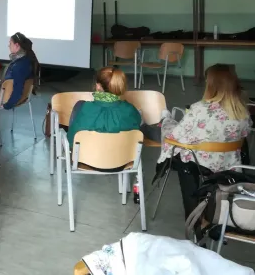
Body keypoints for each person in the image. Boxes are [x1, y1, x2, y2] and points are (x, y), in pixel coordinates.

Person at [156, 64, 252, 219]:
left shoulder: (199, 109)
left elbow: (173, 136)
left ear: (211, 84)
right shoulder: (242, 110)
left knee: (173, 137)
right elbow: (245, 134)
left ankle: (194, 218)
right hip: (230, 164)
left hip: (199, 164)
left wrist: (167, 122)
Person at [67, 67, 141, 147]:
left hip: (88, 155)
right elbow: (136, 135)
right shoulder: (129, 110)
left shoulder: (84, 108)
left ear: (98, 86)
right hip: (123, 154)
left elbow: (71, 139)